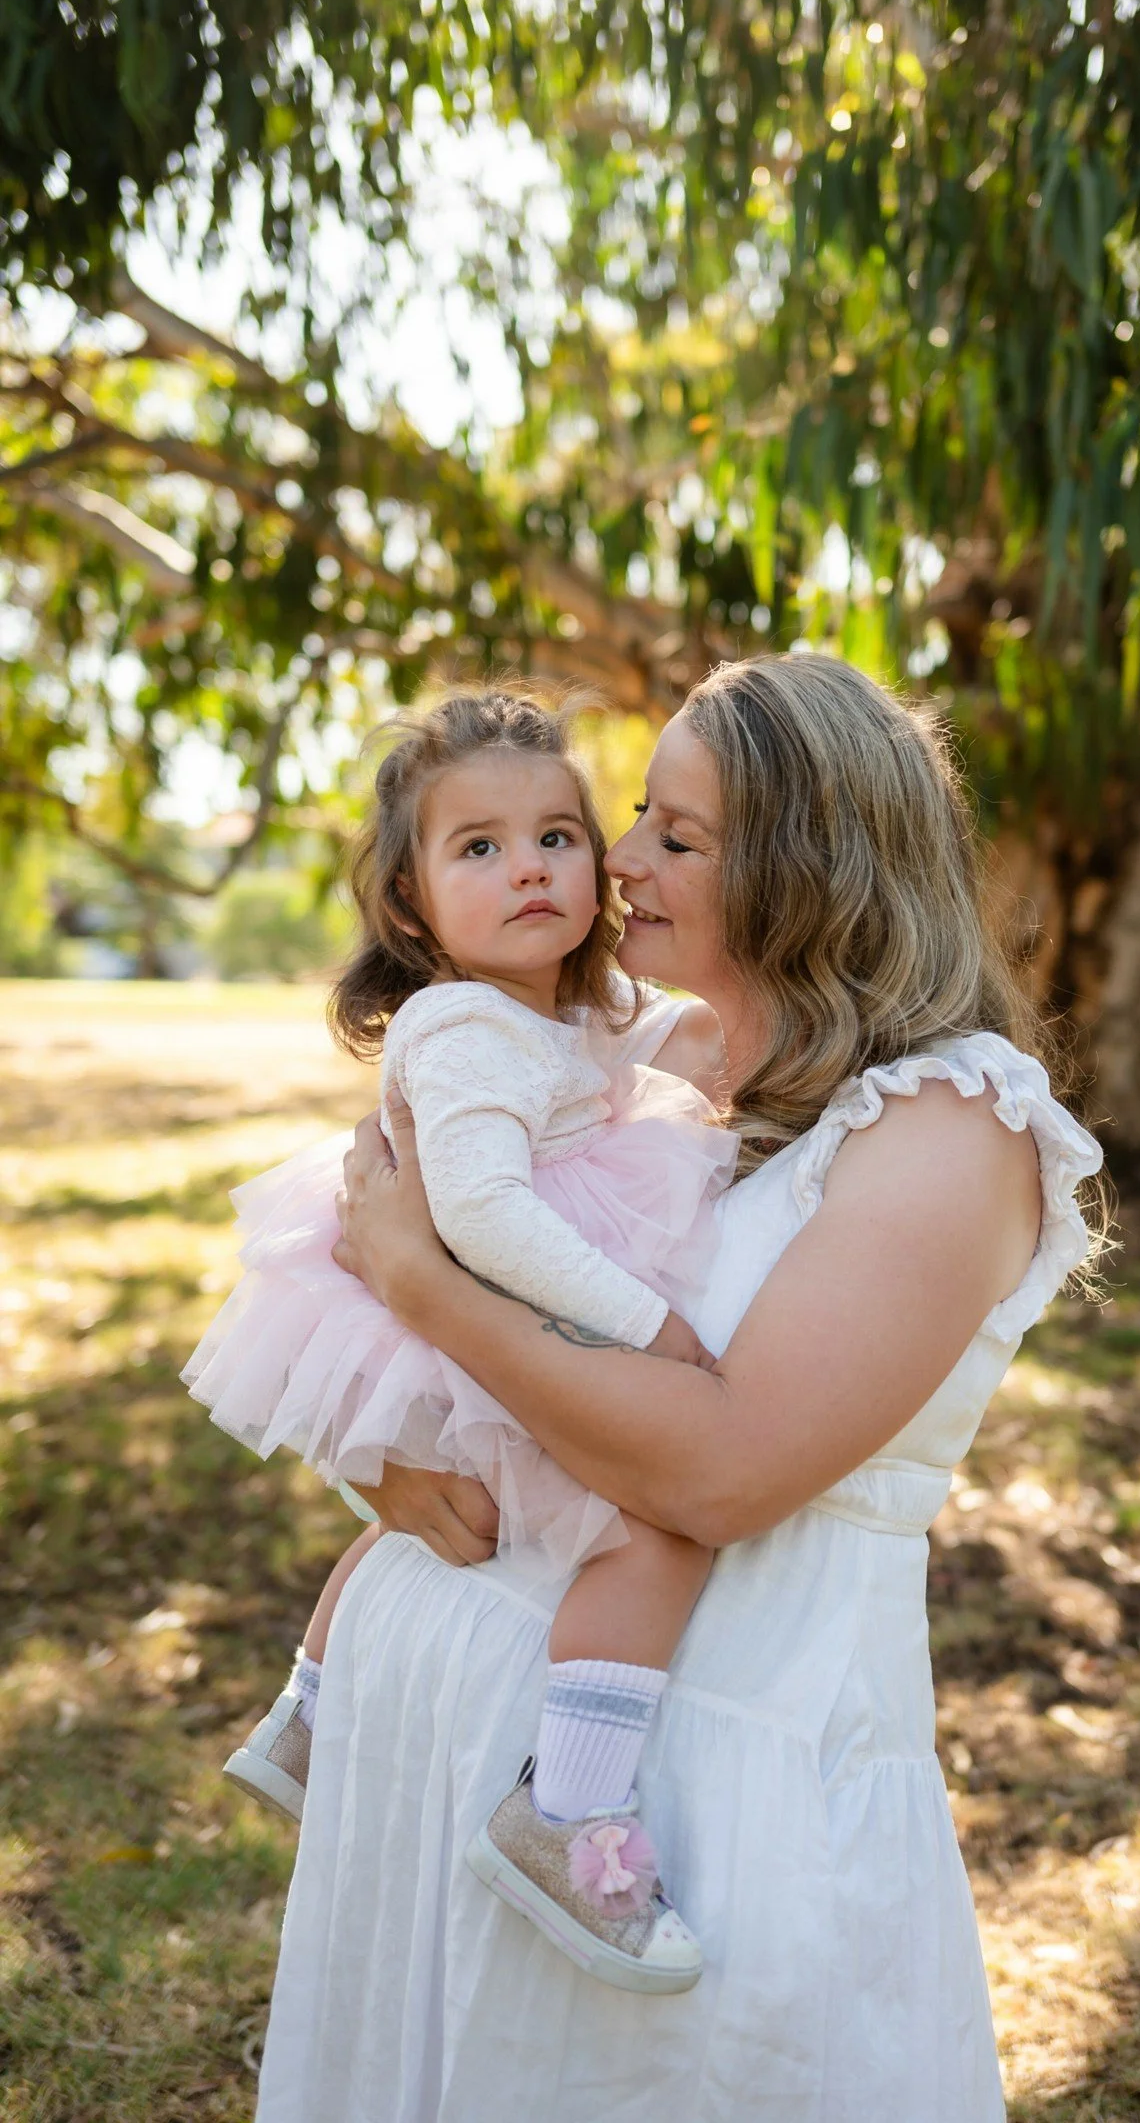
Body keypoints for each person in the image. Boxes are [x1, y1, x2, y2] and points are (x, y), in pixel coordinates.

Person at [255, 652, 1104, 2123]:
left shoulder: (953, 1125)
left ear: (813, 867)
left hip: (721, 1781)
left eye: (677, 835)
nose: (616, 859)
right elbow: (396, 1313)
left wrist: (423, 1285)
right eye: (634, 813)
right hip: (449, 1735)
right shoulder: (646, 1068)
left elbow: (718, 1472)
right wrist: (374, 1463)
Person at [185, 686, 735, 1990]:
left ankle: (312, 1717)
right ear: (413, 904)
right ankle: (570, 1813)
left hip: (457, 1327)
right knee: (651, 1535)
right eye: (476, 848)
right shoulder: (461, 1026)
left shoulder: (540, 1013)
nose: (528, 867)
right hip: (477, 1314)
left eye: (554, 835)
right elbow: (482, 1215)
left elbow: (645, 1044)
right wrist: (650, 1329)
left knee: (410, 1528)